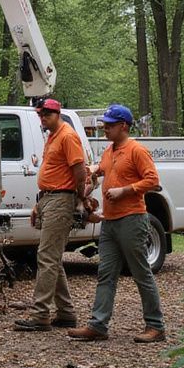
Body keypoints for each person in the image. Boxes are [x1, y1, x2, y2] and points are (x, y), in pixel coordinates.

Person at [69, 104, 166, 343]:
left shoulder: (137, 150)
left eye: (109, 126)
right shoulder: (110, 151)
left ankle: (156, 326)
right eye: (104, 125)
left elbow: (152, 180)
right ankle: (97, 325)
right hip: (110, 222)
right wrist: (93, 172)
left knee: (141, 272)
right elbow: (101, 169)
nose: (105, 129)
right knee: (105, 274)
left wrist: (126, 190)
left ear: (124, 125)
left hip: (132, 218)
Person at [13, 98, 88, 331]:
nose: (43, 117)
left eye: (47, 113)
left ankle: (40, 315)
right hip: (49, 198)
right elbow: (52, 171)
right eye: (40, 114)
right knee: (52, 258)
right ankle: (66, 313)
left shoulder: (67, 135)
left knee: (46, 257)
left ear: (58, 113)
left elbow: (80, 172)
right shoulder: (53, 136)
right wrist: (39, 203)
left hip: (61, 199)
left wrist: (79, 198)